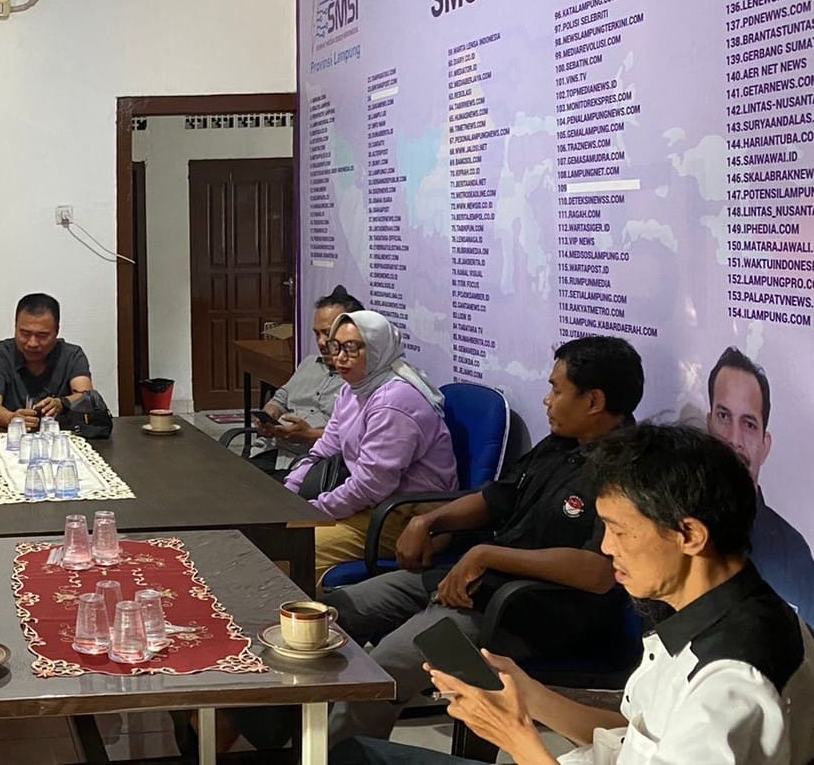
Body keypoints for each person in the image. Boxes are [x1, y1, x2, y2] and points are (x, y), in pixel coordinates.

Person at [334, 424, 814, 764]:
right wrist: (529, 695)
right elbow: (638, 739)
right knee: (355, 754)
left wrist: (517, 740)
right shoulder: (707, 612)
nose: (606, 548)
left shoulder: (732, 681)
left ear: (689, 535)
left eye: (619, 531)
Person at [319, 335, 641, 748]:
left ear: (593, 401)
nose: (547, 401)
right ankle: (287, 738)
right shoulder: (560, 444)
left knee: (383, 668)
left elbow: (597, 573)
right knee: (334, 613)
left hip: (526, 612)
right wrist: (428, 521)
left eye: (557, 390)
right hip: (478, 582)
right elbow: (496, 498)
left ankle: (340, 755)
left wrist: (486, 555)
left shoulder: (628, 470)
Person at [284, 309, 457, 578]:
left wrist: (312, 511)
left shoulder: (394, 401)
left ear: (377, 349)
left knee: (293, 549)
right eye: (336, 346)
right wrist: (287, 496)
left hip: (405, 516)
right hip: (371, 505)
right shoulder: (352, 389)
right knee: (279, 535)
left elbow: (371, 485)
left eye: (352, 348)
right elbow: (324, 450)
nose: (341, 357)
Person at [706, 346, 814, 622]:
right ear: (708, 425)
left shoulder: (794, 553)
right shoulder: (672, 524)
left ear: (765, 446)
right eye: (723, 416)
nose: (734, 439)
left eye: (749, 424)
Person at [249, 285, 365, 473]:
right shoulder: (309, 363)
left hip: (315, 467)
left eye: (328, 333)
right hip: (270, 452)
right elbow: (281, 398)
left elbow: (360, 438)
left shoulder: (363, 381)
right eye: (317, 334)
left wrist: (310, 435)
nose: (321, 342)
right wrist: (269, 416)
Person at [0, 292, 93, 429]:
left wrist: (62, 403)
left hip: (57, 435)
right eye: (25, 334)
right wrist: (11, 419)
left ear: (56, 331)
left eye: (42, 335)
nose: (32, 343)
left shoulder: (72, 355)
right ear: (15, 327)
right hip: (10, 435)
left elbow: (86, 396)